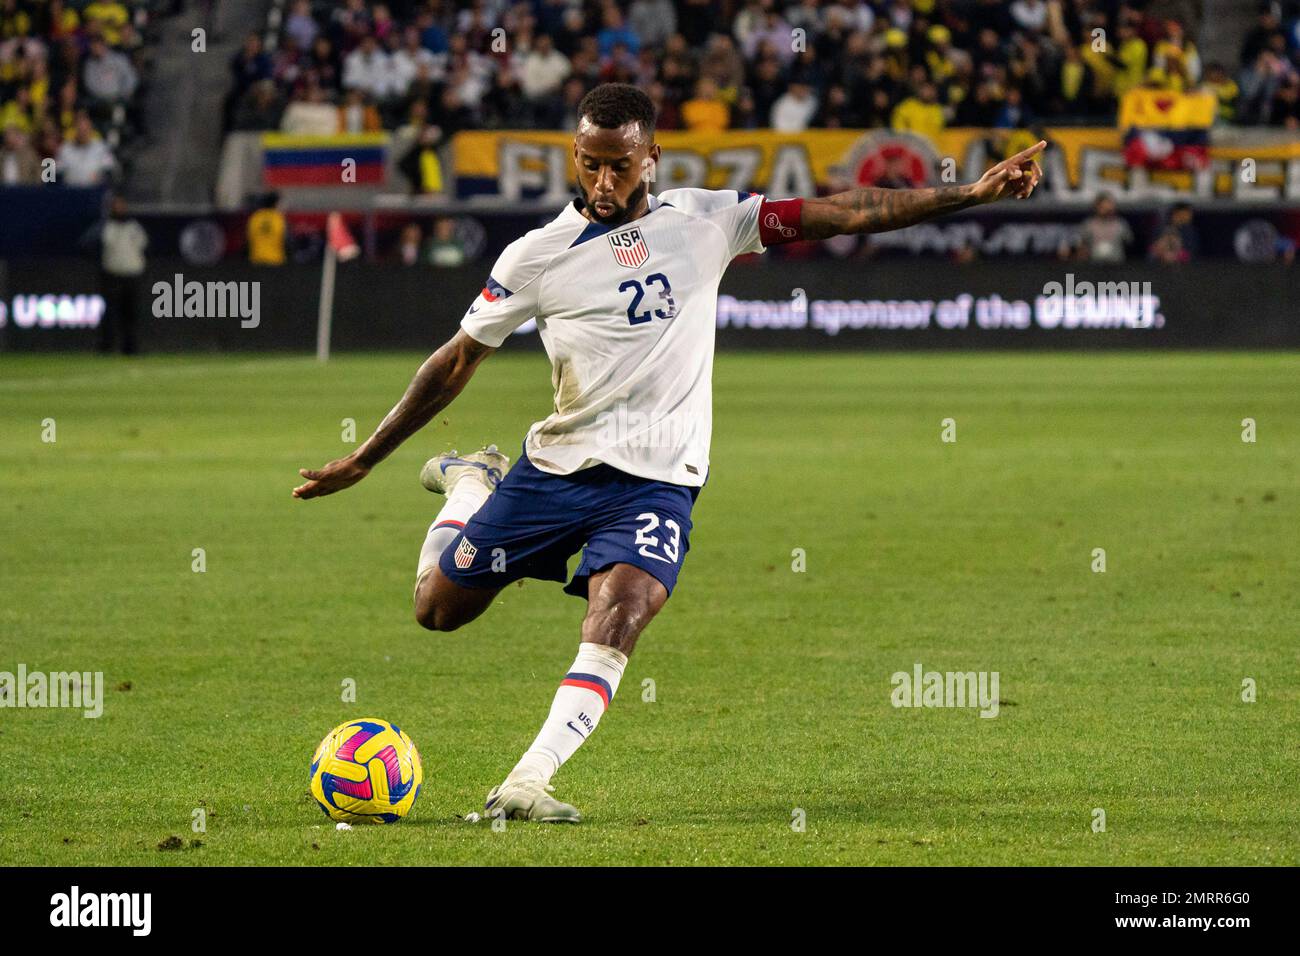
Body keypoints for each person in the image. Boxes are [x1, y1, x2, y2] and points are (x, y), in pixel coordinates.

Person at [292, 83, 1044, 824]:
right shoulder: (536, 256)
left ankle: (525, 780)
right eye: (589, 163)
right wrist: (365, 457)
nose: (603, 181)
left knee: (621, 612)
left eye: (619, 164)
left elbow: (844, 210)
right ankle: (469, 486)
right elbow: (455, 361)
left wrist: (968, 194)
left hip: (657, 482)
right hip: (556, 470)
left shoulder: (708, 219)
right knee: (436, 611)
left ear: (651, 156)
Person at [91, 194, 148, 354]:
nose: (119, 209)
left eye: (121, 205)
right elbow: (90, 243)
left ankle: (130, 348)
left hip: (132, 274)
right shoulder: (105, 227)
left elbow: (144, 246)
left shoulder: (134, 227)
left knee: (130, 313)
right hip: (112, 274)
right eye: (116, 206)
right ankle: (106, 346)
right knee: (110, 312)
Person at [247, 192, 286, 265]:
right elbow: (285, 239)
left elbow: (248, 238)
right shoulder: (278, 218)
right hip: (275, 259)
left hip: (256, 259)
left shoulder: (255, 217)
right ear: (275, 204)